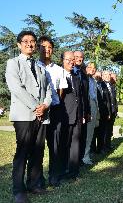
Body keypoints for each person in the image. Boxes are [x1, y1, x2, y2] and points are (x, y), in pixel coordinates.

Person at [5, 31, 52, 203]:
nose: (30, 44)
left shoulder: (40, 66)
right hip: (24, 115)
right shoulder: (13, 63)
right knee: (23, 152)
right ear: (19, 45)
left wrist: (45, 105)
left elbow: (47, 89)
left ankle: (34, 184)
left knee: (38, 151)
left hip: (41, 115)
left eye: (33, 41)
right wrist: (35, 107)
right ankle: (18, 190)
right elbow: (16, 88)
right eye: (26, 41)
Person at [37, 35, 67, 187]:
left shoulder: (58, 70)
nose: (47, 50)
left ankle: (54, 176)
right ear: (38, 48)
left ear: (53, 50)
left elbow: (61, 91)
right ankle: (37, 179)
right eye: (43, 47)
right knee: (38, 146)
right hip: (38, 111)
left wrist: (54, 104)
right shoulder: (34, 66)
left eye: (49, 47)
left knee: (54, 145)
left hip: (55, 110)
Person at [60, 51, 84, 180]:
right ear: (62, 60)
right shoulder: (59, 75)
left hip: (77, 116)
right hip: (65, 116)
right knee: (64, 144)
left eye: (72, 60)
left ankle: (74, 172)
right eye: (68, 59)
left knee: (75, 144)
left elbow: (80, 97)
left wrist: (82, 114)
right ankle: (63, 171)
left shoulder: (75, 77)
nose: (71, 62)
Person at [73, 51, 91, 164]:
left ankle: (79, 161)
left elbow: (86, 95)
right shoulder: (69, 72)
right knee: (73, 138)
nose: (79, 59)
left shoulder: (84, 75)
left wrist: (88, 112)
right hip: (72, 111)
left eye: (81, 57)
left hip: (83, 111)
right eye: (77, 57)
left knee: (82, 137)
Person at [82, 63, 100, 165]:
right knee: (84, 134)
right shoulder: (83, 79)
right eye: (90, 67)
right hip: (86, 107)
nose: (92, 70)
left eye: (94, 68)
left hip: (93, 106)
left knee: (90, 133)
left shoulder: (94, 81)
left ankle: (86, 156)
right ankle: (83, 156)